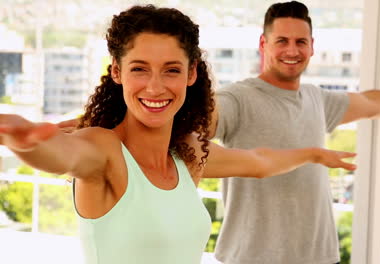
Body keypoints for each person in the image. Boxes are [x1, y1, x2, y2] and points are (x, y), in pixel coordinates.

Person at [0, 5, 357, 264]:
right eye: (139, 69)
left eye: (171, 70)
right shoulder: (104, 150)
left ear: (191, 75)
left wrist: (314, 154)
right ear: (117, 73)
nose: (155, 87)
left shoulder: (188, 155)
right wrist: (21, 139)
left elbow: (259, 162)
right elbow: (62, 155)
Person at [209, 1, 380, 264]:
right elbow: (194, 130)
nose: (292, 49)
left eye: (300, 41)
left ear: (312, 47)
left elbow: (374, 104)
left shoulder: (316, 99)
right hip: (252, 258)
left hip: (321, 257)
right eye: (282, 41)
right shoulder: (237, 98)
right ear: (263, 44)